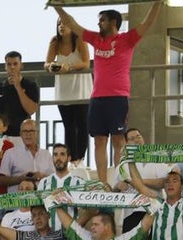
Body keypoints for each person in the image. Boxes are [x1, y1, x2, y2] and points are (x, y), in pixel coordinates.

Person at [52, 3, 163, 185]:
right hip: (97, 98)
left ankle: (119, 180)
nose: (99, 24)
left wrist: (158, 3)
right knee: (99, 141)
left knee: (119, 141)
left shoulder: (127, 39)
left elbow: (148, 21)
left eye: (102, 20)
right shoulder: (96, 39)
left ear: (113, 22)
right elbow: (72, 23)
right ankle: (103, 184)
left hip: (117, 98)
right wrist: (57, 7)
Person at [45, 20, 93, 163]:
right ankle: (72, 159)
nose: (62, 26)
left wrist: (69, 66)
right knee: (69, 126)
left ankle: (80, 158)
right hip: (64, 90)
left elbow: (86, 63)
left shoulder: (80, 40)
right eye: (59, 24)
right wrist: (51, 66)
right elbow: (46, 63)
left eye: (64, 23)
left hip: (81, 89)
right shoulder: (54, 42)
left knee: (82, 124)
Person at [0, 53, 40, 138]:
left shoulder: (30, 85)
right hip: (2, 137)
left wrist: (18, 86)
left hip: (22, 137)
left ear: (21, 65)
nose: (12, 67)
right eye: (9, 64)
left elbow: (32, 110)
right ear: (5, 67)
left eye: (15, 64)